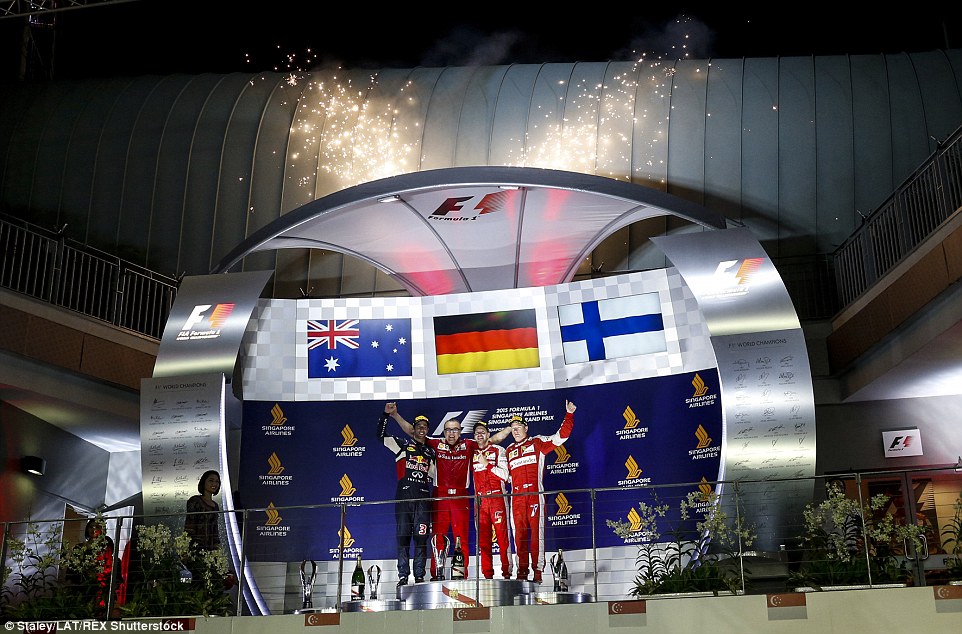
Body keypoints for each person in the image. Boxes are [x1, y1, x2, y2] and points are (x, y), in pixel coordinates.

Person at [384, 402, 510, 579]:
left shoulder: (469, 445)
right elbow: (412, 432)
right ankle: (437, 574)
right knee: (438, 538)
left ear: (461, 431)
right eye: (448, 430)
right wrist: (395, 415)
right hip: (440, 497)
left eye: (456, 430)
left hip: (460, 497)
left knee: (462, 538)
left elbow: (492, 440)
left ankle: (462, 573)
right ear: (444, 432)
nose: (452, 433)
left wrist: (510, 428)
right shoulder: (435, 444)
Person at [505, 400, 576, 583]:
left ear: (526, 428)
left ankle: (537, 572)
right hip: (516, 499)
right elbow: (505, 476)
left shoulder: (537, 442)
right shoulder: (508, 450)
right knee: (518, 535)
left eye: (519, 426)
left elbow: (561, 437)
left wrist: (569, 415)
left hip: (535, 496)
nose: (516, 430)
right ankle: (521, 573)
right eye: (513, 427)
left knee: (537, 534)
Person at [378, 407, 436, 588]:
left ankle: (419, 576)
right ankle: (403, 576)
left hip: (423, 499)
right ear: (413, 428)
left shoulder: (431, 452)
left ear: (427, 430)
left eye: (425, 426)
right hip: (404, 498)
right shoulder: (401, 444)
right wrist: (386, 415)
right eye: (418, 425)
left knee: (421, 537)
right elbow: (380, 435)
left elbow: (434, 476)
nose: (421, 429)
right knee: (403, 538)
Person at [472, 420, 513, 580]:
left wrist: (487, 464)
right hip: (480, 502)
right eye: (477, 433)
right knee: (483, 541)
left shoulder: (498, 450)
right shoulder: (472, 453)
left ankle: (507, 574)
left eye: (483, 431)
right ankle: (487, 576)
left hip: (497, 498)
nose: (480, 434)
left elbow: (505, 477)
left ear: (488, 434)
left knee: (503, 539)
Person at [185, 470, 222, 552]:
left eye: (217, 482)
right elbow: (189, 525)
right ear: (204, 482)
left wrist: (217, 547)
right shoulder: (195, 501)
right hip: (196, 547)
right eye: (211, 481)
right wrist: (186, 548)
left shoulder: (215, 506)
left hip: (211, 549)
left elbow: (215, 529)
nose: (214, 484)